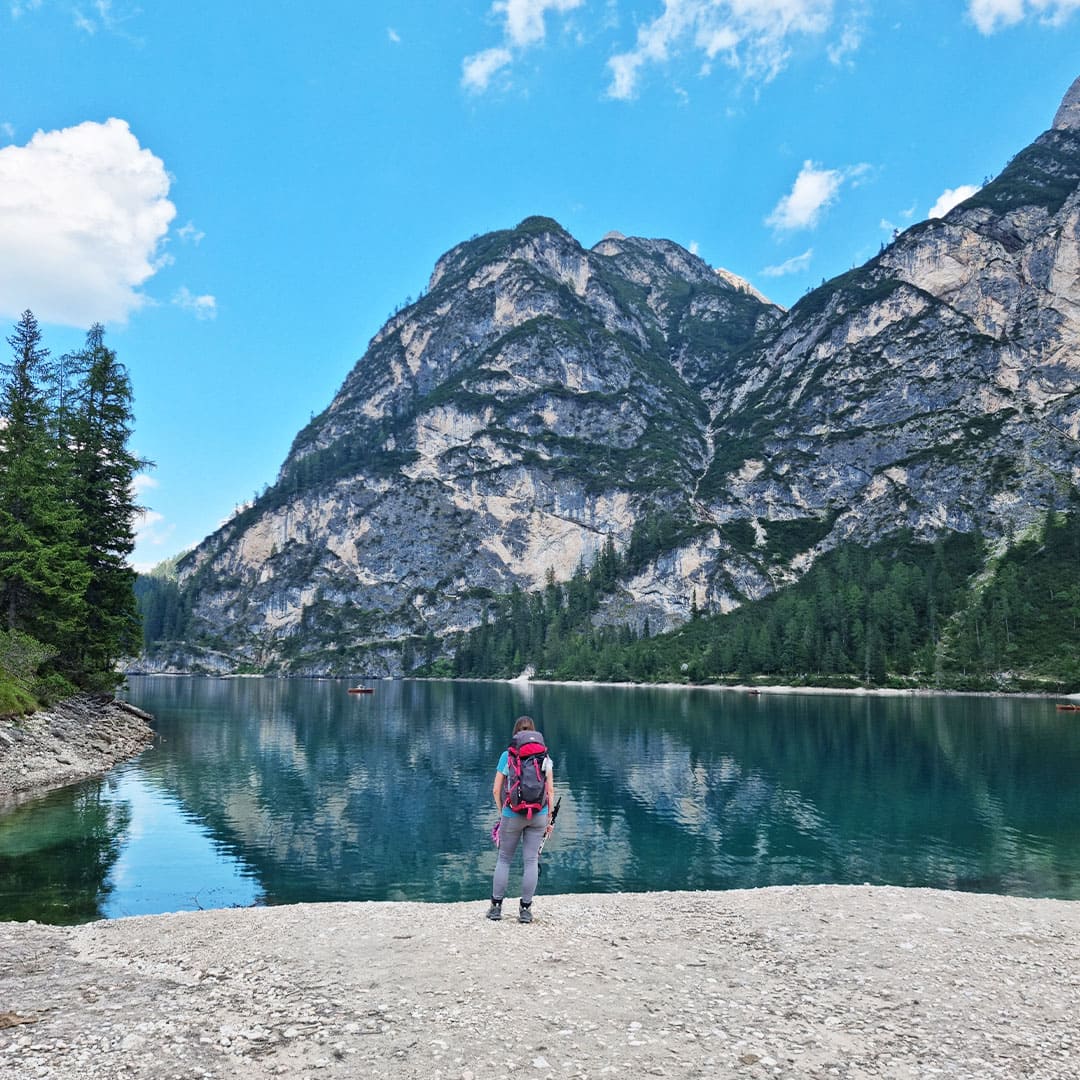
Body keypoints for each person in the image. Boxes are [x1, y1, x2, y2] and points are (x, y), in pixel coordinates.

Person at [487, 715, 555, 924]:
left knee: (504, 859)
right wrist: (549, 819)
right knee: (531, 861)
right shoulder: (544, 756)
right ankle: (525, 910)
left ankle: (496, 907)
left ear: (516, 734)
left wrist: (502, 812)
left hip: (512, 813)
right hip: (538, 814)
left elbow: (496, 789)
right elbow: (550, 790)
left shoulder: (507, 755)